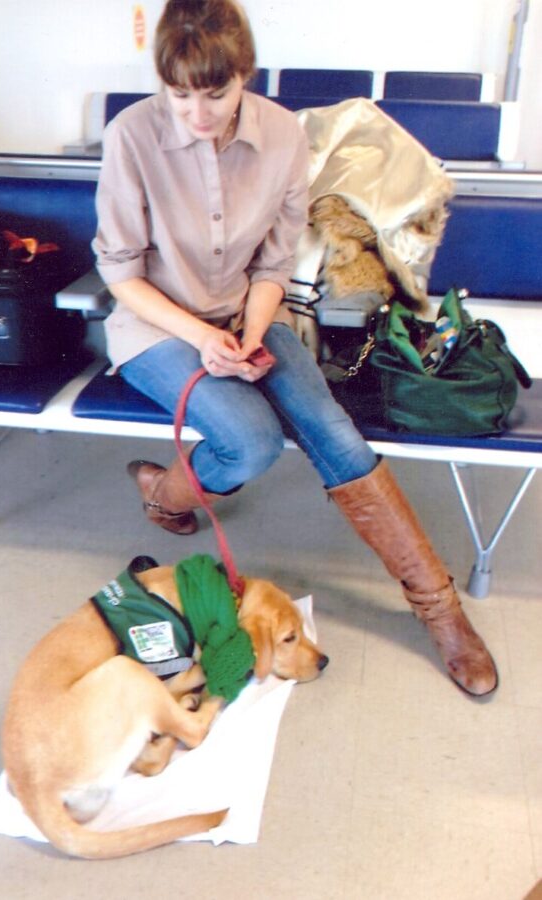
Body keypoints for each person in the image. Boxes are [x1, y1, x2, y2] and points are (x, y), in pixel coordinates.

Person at [92, 0, 497, 698]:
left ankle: (441, 611)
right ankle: (162, 491)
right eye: (178, 94)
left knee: (332, 430)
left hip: (248, 314)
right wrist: (204, 339)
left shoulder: (281, 136)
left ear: (242, 74)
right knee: (246, 444)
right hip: (159, 326)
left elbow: (274, 266)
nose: (195, 112)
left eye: (214, 94)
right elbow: (121, 274)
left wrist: (248, 335)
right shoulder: (131, 135)